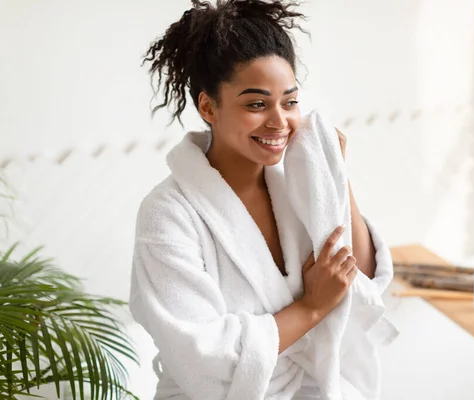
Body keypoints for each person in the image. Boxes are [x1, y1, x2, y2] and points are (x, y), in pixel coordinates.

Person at [129, 1, 394, 399]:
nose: (279, 121)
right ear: (208, 106)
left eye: (289, 102)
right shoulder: (167, 215)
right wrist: (310, 309)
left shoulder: (296, 184)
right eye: (256, 104)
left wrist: (337, 175)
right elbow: (205, 358)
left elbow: (362, 282)